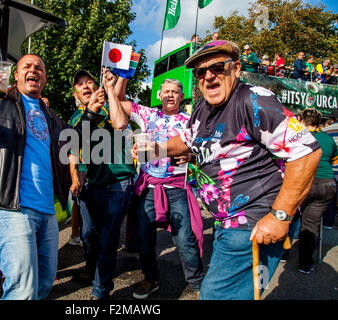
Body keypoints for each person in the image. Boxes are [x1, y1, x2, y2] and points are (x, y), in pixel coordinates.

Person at [143, 40, 321, 300]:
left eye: (216, 67)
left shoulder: (254, 100)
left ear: (236, 68)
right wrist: (155, 149)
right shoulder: (204, 107)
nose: (208, 76)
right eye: (200, 72)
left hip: (252, 221)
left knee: (214, 296)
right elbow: (186, 141)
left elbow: (306, 152)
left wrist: (280, 216)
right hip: (226, 221)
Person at [0, 54, 101, 300]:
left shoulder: (49, 114)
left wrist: (89, 114)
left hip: (46, 210)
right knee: (22, 290)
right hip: (10, 207)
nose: (33, 70)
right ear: (16, 75)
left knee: (44, 284)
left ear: (45, 78)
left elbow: (72, 140)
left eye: (39, 67)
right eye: (26, 66)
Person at [105, 72, 204, 299]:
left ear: (181, 97)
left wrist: (191, 156)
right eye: (166, 91)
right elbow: (119, 103)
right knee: (144, 237)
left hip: (177, 187)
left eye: (175, 92)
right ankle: (150, 278)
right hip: (148, 188)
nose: (170, 95)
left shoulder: (191, 121)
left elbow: (203, 150)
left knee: (185, 239)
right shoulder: (146, 114)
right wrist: (123, 76)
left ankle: (198, 284)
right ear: (159, 95)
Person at [68, 69, 136, 299]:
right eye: (80, 84)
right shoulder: (75, 118)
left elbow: (119, 125)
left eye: (89, 82)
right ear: (75, 92)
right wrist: (75, 176)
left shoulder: (111, 106)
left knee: (107, 241)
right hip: (90, 186)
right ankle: (92, 268)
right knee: (88, 235)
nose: (85, 86)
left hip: (117, 183)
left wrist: (109, 89)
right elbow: (71, 149)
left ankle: (100, 291)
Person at [298, 109, 337, 272]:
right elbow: (334, 161)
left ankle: (283, 254)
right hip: (327, 184)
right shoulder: (328, 139)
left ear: (303, 120)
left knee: (291, 218)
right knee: (311, 224)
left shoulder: (298, 137)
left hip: (305, 183)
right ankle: (306, 263)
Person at [319, 108, 338, 229]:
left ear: (331, 119)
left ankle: (328, 223)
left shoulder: (325, 132)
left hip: (331, 171)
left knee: (330, 197)